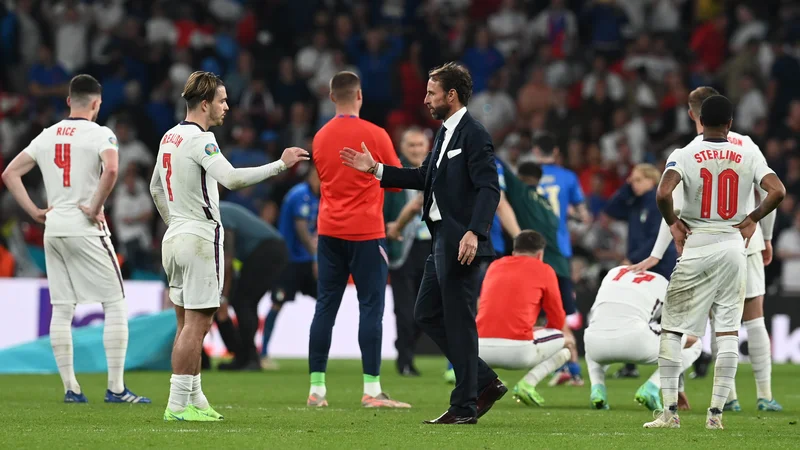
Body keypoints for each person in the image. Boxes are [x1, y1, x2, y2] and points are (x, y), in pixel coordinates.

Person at [341, 62, 505, 424]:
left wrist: (474, 232)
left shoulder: (473, 134)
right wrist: (376, 169)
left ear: (451, 95)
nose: (426, 99)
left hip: (459, 240)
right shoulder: (444, 133)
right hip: (440, 240)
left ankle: (464, 406)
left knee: (459, 322)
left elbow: (489, 188)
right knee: (426, 313)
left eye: (432, 93)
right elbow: (422, 176)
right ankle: (484, 381)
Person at [150, 71, 308, 421]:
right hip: (199, 238)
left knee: (186, 322)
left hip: (174, 235)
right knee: (198, 324)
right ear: (205, 104)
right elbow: (232, 178)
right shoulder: (200, 139)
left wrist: (174, 220)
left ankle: (196, 398)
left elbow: (156, 189)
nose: (227, 106)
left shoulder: (169, 137)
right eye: (222, 100)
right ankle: (177, 405)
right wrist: (281, 164)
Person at [1, 74, 150, 404]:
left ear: (69, 101)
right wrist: (95, 206)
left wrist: (35, 212)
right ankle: (115, 389)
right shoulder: (101, 133)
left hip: (53, 229)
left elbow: (9, 173)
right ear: (96, 104)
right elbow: (111, 170)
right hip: (84, 227)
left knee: (62, 309)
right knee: (114, 303)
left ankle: (71, 388)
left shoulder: (47, 135)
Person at [632, 86, 782, 411]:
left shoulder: (684, 151)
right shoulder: (748, 147)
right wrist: (762, 230)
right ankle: (762, 396)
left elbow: (668, 196)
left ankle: (712, 402)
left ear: (693, 115)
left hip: (698, 239)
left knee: (685, 326)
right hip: (742, 240)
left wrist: (667, 237)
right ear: (730, 120)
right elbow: (769, 192)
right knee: (747, 320)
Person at [307, 71, 409, 409]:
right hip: (366, 232)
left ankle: (317, 391)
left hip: (329, 231)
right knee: (371, 309)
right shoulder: (375, 134)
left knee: (325, 308)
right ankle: (371, 390)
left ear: (332, 96)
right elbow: (394, 182)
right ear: (360, 96)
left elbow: (322, 181)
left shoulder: (320, 137)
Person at [584, 266, 702, 411]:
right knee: (693, 342)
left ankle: (597, 388)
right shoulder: (663, 282)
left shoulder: (614, 272)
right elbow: (675, 330)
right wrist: (678, 388)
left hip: (595, 345)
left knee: (592, 334)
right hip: (636, 340)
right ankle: (652, 387)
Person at [477, 230, 572, 407]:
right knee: (565, 340)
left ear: (514, 251)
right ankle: (528, 384)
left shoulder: (495, 266)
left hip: (479, 349)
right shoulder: (544, 269)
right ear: (540, 254)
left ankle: (480, 386)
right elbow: (557, 318)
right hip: (517, 352)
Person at [604, 163, 680, 379]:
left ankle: (690, 356)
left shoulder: (658, 203)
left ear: (651, 181)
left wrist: (635, 258)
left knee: (666, 316)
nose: (633, 184)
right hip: (639, 266)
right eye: (632, 180)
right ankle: (630, 365)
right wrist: (626, 188)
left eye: (637, 180)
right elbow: (611, 210)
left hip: (660, 267)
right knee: (632, 312)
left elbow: (656, 237)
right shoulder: (635, 203)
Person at [530, 132, 590, 385]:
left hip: (532, 252)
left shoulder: (528, 178)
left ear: (535, 153)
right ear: (555, 152)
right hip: (560, 252)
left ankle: (561, 366)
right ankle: (571, 367)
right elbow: (584, 217)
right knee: (562, 313)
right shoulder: (568, 177)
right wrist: (570, 216)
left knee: (537, 314)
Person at [216, 201, 289, 371]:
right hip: (271, 250)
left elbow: (228, 259)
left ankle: (250, 359)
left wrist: (223, 297)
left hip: (268, 250)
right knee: (245, 302)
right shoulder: (222, 210)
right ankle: (245, 357)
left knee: (243, 302)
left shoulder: (219, 214)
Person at [261, 164, 320, 369]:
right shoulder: (300, 195)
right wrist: (316, 258)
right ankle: (263, 353)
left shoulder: (320, 198)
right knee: (278, 302)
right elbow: (302, 229)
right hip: (288, 261)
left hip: (305, 260)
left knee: (326, 300)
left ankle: (319, 352)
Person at [383, 127, 430, 377]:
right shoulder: (395, 175)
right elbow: (382, 211)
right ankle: (405, 361)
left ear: (427, 146)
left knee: (427, 309)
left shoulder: (437, 171)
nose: (415, 150)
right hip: (402, 248)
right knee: (404, 308)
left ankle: (404, 347)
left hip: (431, 248)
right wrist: (387, 227)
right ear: (402, 148)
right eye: (410, 145)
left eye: (419, 145)